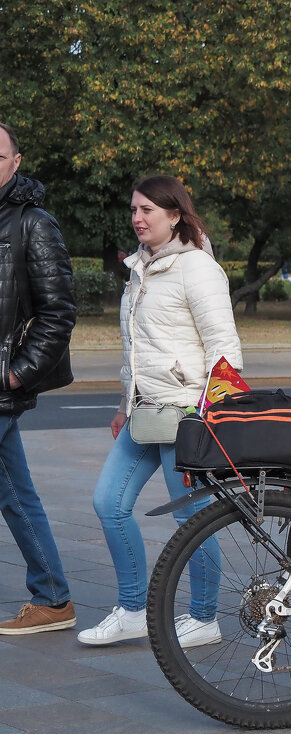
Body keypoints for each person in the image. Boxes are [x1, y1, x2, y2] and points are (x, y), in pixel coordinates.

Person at [77, 175, 242, 646]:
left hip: (187, 415)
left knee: (194, 519)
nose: (137, 218)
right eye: (133, 210)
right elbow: (138, 348)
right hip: (144, 413)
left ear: (175, 216)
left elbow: (224, 349)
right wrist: (123, 403)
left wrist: (211, 414)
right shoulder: (140, 269)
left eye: (148, 210)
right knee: (108, 502)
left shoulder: (198, 269)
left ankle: (205, 617)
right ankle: (132, 609)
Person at [0, 122, 77, 635]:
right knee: (14, 491)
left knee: (14, 492)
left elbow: (58, 312)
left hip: (0, 382)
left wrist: (16, 373)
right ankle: (52, 597)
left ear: (16, 160)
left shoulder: (33, 223)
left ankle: (53, 596)